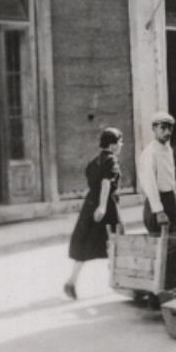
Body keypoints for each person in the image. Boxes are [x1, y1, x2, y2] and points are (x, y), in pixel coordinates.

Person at [64, 128, 124, 299]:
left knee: (86, 244)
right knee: (116, 242)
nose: (121, 145)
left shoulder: (94, 161)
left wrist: (97, 205)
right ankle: (117, 281)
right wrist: (103, 207)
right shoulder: (111, 160)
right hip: (106, 206)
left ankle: (72, 281)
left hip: (90, 205)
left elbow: (94, 183)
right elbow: (106, 183)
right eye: (119, 142)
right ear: (112, 145)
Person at [138, 111, 176, 235]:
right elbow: (149, 183)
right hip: (157, 202)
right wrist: (159, 211)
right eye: (163, 128)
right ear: (154, 129)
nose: (167, 132)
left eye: (170, 128)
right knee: (159, 246)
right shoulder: (150, 153)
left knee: (174, 243)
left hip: (170, 199)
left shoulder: (168, 149)